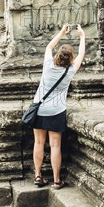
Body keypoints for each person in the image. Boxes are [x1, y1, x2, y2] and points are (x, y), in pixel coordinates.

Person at [32, 23, 86, 189]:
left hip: (39, 108)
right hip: (56, 110)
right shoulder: (70, 71)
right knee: (55, 145)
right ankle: (56, 180)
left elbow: (49, 46)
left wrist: (62, 33)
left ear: (57, 55)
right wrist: (82, 36)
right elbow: (82, 55)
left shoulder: (48, 64)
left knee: (39, 142)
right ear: (70, 58)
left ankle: (38, 176)